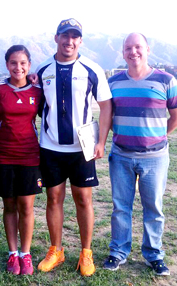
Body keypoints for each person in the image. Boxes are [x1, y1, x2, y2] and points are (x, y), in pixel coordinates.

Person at [35, 18, 112, 277]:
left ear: (80, 40)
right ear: (56, 38)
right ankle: (56, 250)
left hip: (82, 149)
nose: (69, 41)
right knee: (53, 198)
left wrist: (101, 142)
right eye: (64, 36)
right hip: (51, 148)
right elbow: (35, 105)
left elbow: (106, 105)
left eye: (74, 36)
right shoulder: (43, 69)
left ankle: (86, 252)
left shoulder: (92, 68)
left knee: (83, 199)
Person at [103, 33, 177, 276]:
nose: (133, 52)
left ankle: (154, 255)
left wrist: (157, 136)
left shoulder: (166, 80)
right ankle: (118, 252)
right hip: (121, 156)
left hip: (155, 157)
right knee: (120, 207)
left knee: (153, 208)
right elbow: (107, 114)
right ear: (123, 52)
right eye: (128, 48)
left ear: (147, 49)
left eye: (138, 47)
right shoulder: (114, 82)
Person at [0, 45, 43, 276]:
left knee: (27, 207)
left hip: (30, 156)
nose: (18, 67)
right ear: (7, 64)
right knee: (9, 206)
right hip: (4, 156)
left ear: (29, 65)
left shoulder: (38, 91)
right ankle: (12, 254)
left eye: (22, 63)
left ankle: (25, 253)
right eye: (13, 63)